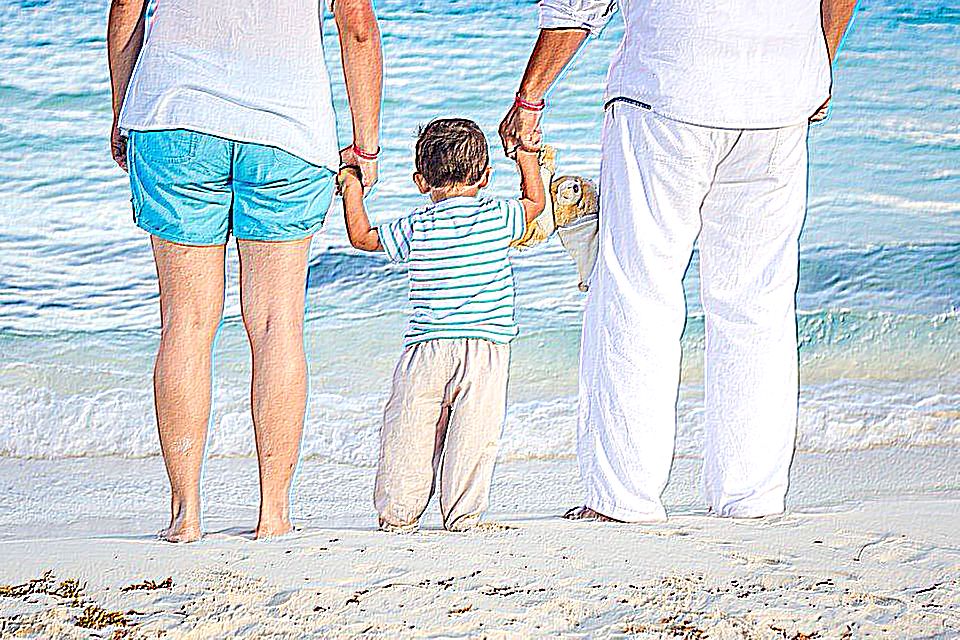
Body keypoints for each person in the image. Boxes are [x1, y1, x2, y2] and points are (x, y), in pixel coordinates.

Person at [500, 1, 858, 522]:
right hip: (780, 96)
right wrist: (819, 61)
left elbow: (578, 5)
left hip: (668, 86)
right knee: (757, 304)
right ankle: (751, 496)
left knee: (638, 294)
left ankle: (624, 497)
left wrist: (530, 96)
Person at [107, 0, 383, 542]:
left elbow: (125, 10)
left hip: (174, 117)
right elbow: (357, 25)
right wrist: (365, 145)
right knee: (278, 325)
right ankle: (273, 514)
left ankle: (185, 515)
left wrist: (123, 107)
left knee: (185, 323)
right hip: (288, 130)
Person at [337, 118, 546, 532]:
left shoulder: (416, 225)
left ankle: (399, 514)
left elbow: (362, 237)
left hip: (426, 347)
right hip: (485, 347)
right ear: (485, 177)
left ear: (420, 181)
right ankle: (463, 516)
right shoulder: (499, 216)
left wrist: (351, 186)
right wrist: (526, 155)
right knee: (474, 435)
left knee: (409, 430)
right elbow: (535, 202)